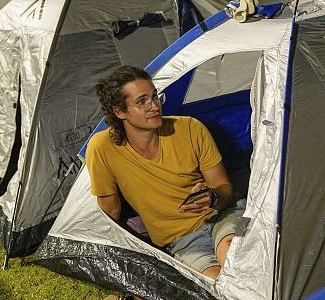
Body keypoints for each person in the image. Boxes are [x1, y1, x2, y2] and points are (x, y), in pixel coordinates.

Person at [86, 65, 244, 279]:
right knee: (219, 286)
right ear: (119, 111)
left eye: (155, 97)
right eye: (142, 102)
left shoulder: (190, 128)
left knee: (234, 262)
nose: (154, 106)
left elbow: (225, 188)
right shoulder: (102, 147)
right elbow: (110, 213)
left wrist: (213, 196)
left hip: (220, 217)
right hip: (180, 239)